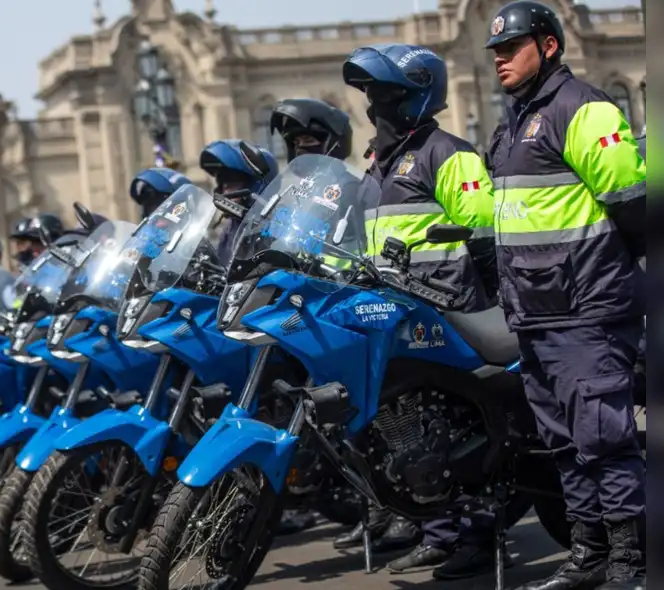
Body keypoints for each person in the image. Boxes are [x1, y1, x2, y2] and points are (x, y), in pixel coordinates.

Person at [482, 3, 647, 589]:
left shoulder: (582, 108)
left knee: (603, 437)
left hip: (586, 309)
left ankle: (628, 563)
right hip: (534, 313)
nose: (500, 59)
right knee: (563, 444)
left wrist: (605, 272)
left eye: (512, 47)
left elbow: (631, 204)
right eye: (495, 51)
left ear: (549, 46)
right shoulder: (511, 125)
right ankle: (588, 557)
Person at [341, 42, 501, 580]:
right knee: (411, 428)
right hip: (396, 318)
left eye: (386, 92)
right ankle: (437, 532)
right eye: (370, 93)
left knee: (458, 431)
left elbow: (482, 231)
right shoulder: (378, 165)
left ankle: (477, 534)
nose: (374, 103)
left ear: (417, 94)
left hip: (449, 309)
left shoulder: (448, 153)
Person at [198, 139, 278, 265]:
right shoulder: (229, 230)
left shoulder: (275, 227)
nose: (226, 191)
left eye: (232, 183)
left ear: (254, 184)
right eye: (223, 184)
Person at [270, 98, 354, 161]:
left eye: (309, 141)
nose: (299, 149)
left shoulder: (349, 184)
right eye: (295, 143)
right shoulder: (303, 184)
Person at [129, 167, 193, 219]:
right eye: (150, 206)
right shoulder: (145, 233)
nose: (155, 213)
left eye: (161, 205)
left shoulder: (196, 229)